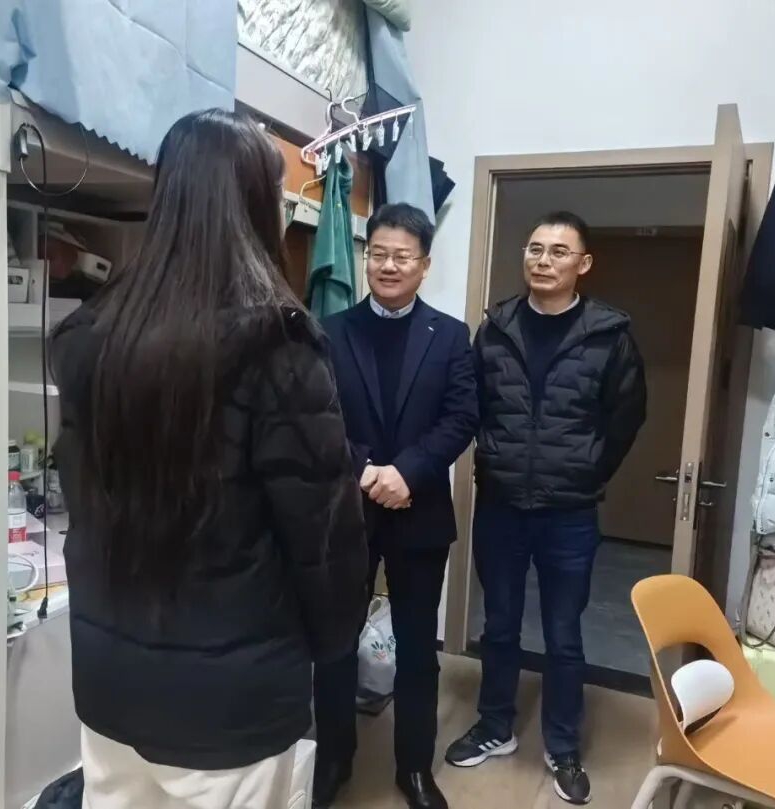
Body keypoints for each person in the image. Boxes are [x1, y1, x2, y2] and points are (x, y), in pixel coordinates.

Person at [50, 109, 369, 809]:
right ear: (255, 204)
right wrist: (331, 646)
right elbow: (322, 538)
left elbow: (82, 502)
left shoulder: (88, 338)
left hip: (110, 682)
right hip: (232, 702)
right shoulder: (278, 348)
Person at [446, 211, 646, 805]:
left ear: (583, 264)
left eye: (559, 251)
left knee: (564, 634)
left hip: (569, 513)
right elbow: (472, 407)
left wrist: (588, 470)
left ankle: (562, 746)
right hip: (502, 505)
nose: (543, 260)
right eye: (535, 248)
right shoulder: (496, 328)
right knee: (499, 625)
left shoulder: (608, 334)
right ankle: (495, 726)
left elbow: (627, 416)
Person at [314, 203, 479, 809]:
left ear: (424, 265)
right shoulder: (329, 331)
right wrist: (364, 470)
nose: (388, 265)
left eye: (402, 256)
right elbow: (317, 414)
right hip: (346, 515)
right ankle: (333, 759)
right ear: (366, 259)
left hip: (419, 513)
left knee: (417, 652)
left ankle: (414, 768)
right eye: (378, 254)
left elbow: (462, 416)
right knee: (335, 645)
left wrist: (408, 471)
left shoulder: (451, 335)